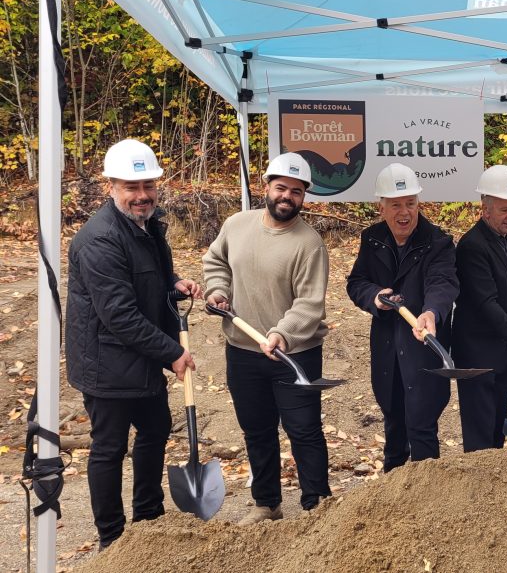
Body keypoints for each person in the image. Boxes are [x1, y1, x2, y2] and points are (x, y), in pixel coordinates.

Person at [66, 139, 200, 549]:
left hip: (139, 358)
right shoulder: (100, 240)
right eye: (131, 187)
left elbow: (149, 274)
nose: (141, 196)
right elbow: (119, 315)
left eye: (148, 186)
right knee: (108, 448)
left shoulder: (147, 225)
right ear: (111, 186)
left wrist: (171, 282)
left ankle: (147, 516)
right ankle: (112, 537)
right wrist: (174, 353)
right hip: (106, 362)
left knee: (156, 428)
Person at [204, 152, 331, 523]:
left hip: (295, 354)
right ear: (266, 187)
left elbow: (310, 304)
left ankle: (317, 505)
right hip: (243, 350)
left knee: (304, 430)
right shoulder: (237, 225)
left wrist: (281, 334)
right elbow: (216, 263)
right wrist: (216, 291)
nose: (287, 196)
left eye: (296, 191)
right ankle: (267, 503)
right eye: (281, 187)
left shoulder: (309, 243)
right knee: (257, 431)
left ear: (304, 196)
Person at [346, 163, 459, 470]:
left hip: (424, 349)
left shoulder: (438, 241)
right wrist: (374, 297)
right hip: (386, 351)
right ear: (381, 207)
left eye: (411, 203)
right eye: (396, 204)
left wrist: (431, 312)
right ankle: (392, 496)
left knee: (422, 428)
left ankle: (426, 497)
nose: (405, 212)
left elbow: (443, 282)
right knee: (394, 424)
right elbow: (356, 283)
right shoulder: (373, 239)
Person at [452, 166, 507, 452]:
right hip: (477, 353)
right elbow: (485, 303)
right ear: (485, 209)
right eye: (505, 210)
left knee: (497, 427)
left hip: (501, 350)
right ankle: (478, 491)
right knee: (480, 433)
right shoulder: (472, 247)